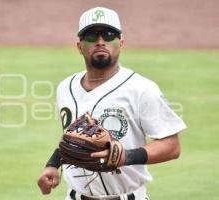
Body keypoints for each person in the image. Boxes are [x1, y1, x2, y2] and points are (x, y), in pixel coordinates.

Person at [37, 6, 186, 200]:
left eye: (108, 35)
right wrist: (52, 164)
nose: (100, 42)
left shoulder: (142, 88)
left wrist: (127, 156)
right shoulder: (66, 87)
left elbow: (172, 146)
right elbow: (73, 138)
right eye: (91, 36)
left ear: (121, 43)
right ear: (79, 46)